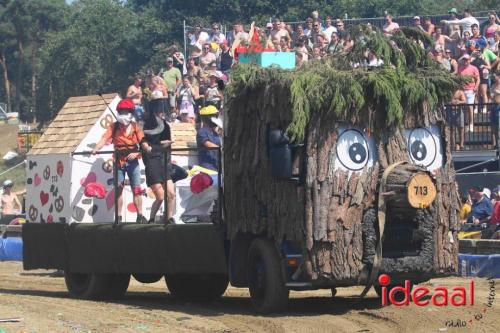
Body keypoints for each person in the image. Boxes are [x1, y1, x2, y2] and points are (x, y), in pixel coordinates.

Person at [92, 99, 148, 224]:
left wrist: (139, 152)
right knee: (118, 189)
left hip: (133, 162)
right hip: (118, 162)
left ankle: (140, 215)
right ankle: (118, 217)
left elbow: (143, 143)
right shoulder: (114, 126)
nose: (123, 114)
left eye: (126, 111)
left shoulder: (136, 126)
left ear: (131, 113)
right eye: (121, 111)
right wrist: (96, 148)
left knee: (137, 189)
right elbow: (104, 138)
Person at [141, 104, 176, 224]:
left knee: (171, 193)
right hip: (152, 165)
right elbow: (145, 146)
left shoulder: (164, 129)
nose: (161, 115)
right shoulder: (144, 136)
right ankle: (151, 219)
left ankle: (169, 218)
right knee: (160, 197)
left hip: (164, 163)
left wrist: (168, 138)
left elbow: (171, 140)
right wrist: (148, 147)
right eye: (158, 113)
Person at [458, 54, 480, 132]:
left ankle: (471, 124)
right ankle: (466, 123)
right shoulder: (460, 68)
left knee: (470, 107)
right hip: (462, 90)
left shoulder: (474, 68)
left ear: (470, 60)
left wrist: (475, 88)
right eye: (464, 59)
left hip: (471, 90)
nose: (465, 61)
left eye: (467, 59)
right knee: (464, 108)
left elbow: (478, 79)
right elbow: (459, 80)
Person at [196, 106, 222, 171]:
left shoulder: (215, 133)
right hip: (207, 169)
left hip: (217, 167)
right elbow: (208, 145)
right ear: (207, 118)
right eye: (214, 116)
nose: (216, 118)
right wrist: (223, 150)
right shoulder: (201, 132)